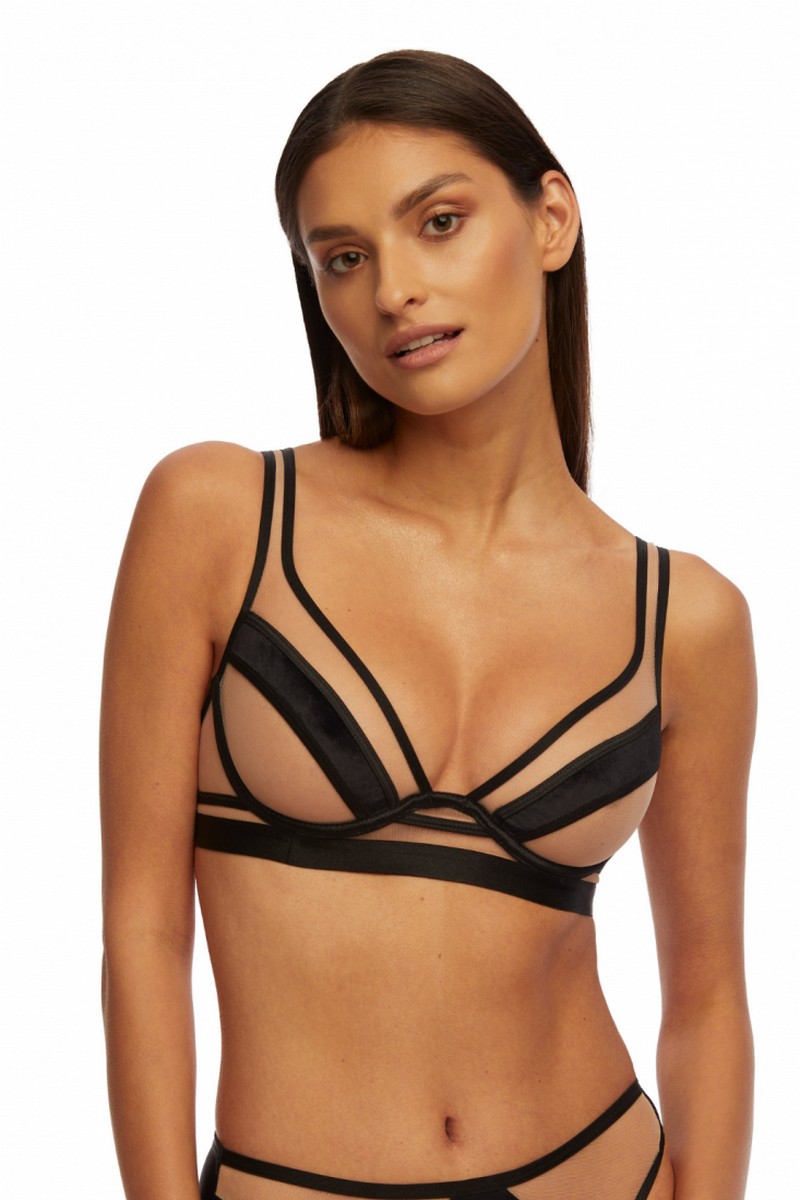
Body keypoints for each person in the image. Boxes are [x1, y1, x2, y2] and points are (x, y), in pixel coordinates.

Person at [100, 49, 756, 1200]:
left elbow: (704, 998)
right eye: (342, 258)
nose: (391, 289)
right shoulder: (218, 518)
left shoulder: (684, 617)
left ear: (549, 219)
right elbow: (142, 939)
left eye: (438, 223)